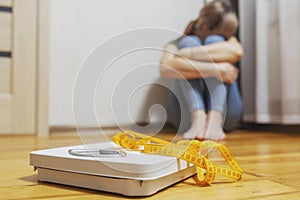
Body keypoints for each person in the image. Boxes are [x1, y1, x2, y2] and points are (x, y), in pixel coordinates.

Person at [160, 0, 243, 141]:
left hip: (226, 116)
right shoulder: (179, 42)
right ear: (205, 27)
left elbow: (237, 52)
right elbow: (165, 67)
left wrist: (189, 54)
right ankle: (198, 116)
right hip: (185, 116)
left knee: (213, 40)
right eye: (223, 35)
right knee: (188, 41)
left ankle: (215, 118)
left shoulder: (229, 41)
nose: (226, 39)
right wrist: (216, 69)